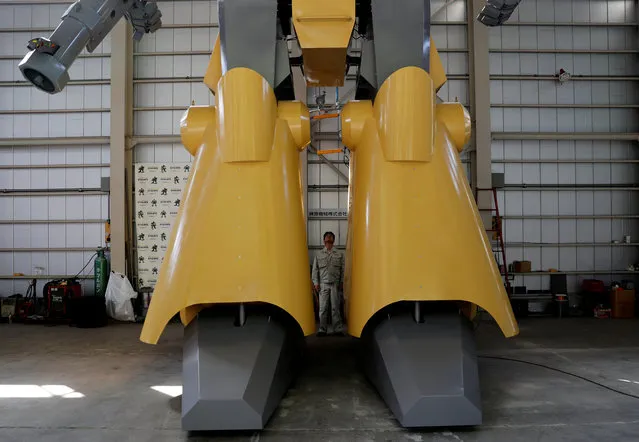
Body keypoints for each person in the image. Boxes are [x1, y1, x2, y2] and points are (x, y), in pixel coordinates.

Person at [312, 231, 345, 336]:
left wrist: (342, 282)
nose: (329, 240)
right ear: (324, 241)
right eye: (327, 239)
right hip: (323, 284)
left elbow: (343, 270)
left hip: (335, 284)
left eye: (331, 239)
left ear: (333, 241)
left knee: (335, 307)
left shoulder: (340, 254)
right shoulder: (319, 254)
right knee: (323, 308)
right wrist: (316, 283)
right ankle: (322, 329)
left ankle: (338, 329)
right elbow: (315, 270)